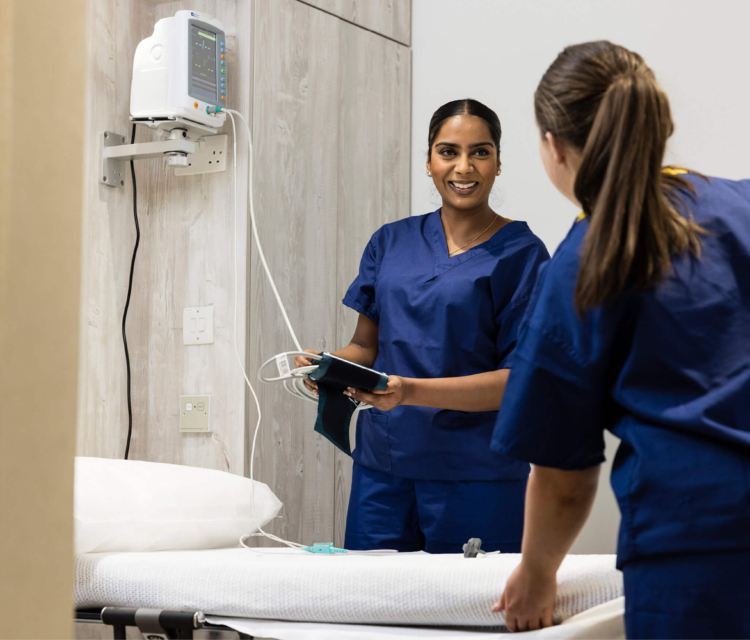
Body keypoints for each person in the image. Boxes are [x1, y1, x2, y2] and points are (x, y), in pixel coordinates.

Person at [490, 41, 750, 638]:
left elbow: (563, 479)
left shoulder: (585, 258)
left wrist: (536, 573)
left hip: (693, 552)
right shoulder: (739, 206)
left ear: (553, 146)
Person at [296, 99, 549, 553]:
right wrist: (330, 366)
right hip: (383, 468)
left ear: (497, 164)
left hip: (477, 474)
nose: (464, 167)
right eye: (448, 151)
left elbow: (521, 383)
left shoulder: (522, 254)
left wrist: (409, 392)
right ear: (429, 162)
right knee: (373, 612)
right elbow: (364, 347)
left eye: (481, 152)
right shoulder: (390, 242)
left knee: (468, 616)